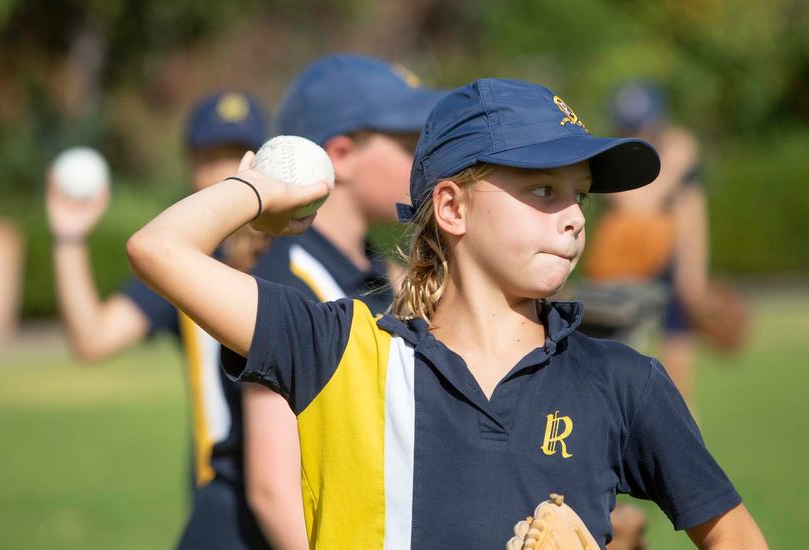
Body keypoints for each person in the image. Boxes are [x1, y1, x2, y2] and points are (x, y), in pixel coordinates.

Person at [126, 78, 767, 548]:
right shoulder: (338, 350)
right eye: (542, 189)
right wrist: (260, 192)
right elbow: (157, 249)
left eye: (581, 195)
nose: (573, 216)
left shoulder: (624, 382)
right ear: (452, 208)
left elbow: (736, 536)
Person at [46, 91, 272, 548]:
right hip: (220, 499)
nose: (225, 172)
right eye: (211, 158)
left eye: (236, 156)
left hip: (302, 490)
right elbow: (93, 339)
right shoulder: (185, 268)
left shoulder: (296, 258)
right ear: (192, 167)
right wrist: (68, 237)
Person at [240, 54, 444, 548]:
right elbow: (271, 489)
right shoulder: (287, 277)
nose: (425, 158)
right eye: (405, 144)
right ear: (341, 154)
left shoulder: (371, 265)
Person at [584, 82, 708, 404]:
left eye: (642, 125)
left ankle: (682, 439)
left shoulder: (678, 148)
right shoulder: (611, 157)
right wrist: (675, 167)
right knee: (618, 364)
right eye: (630, 126)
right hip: (624, 267)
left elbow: (692, 212)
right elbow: (636, 204)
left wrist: (693, 273)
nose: (638, 133)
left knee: (680, 372)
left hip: (669, 262)